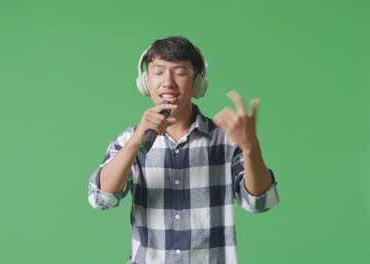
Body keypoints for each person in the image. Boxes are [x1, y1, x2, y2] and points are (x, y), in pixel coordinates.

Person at [88, 36, 279, 264]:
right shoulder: (130, 140)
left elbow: (261, 202)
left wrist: (251, 148)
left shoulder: (225, 138)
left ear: (198, 82)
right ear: (145, 81)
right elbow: (101, 199)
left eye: (179, 72)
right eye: (158, 72)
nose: (167, 82)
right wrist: (136, 140)